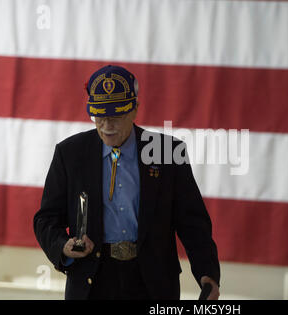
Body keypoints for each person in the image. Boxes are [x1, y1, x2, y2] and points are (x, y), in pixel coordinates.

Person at [33, 65, 220, 300]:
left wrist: (208, 274)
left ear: (135, 110)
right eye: (100, 116)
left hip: (153, 282)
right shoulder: (70, 154)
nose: (107, 125)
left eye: (117, 116)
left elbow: (193, 223)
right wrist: (63, 245)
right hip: (92, 281)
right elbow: (46, 219)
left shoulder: (167, 152)